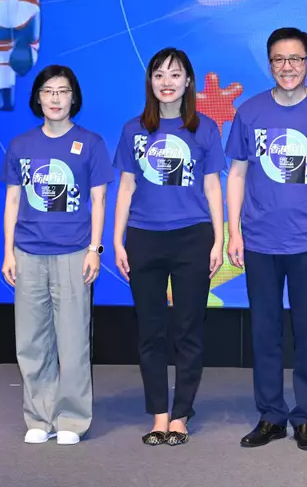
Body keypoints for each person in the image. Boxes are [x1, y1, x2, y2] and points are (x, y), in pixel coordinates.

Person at [225, 28, 307, 452]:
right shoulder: (250, 112)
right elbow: (237, 175)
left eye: (295, 59)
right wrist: (233, 232)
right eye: (279, 60)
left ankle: (304, 418)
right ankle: (270, 415)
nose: (288, 67)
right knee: (265, 333)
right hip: (260, 242)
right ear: (270, 65)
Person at [112, 47, 226, 446]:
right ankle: (159, 414)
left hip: (193, 236)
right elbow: (126, 187)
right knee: (151, 330)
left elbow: (213, 187)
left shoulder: (204, 128)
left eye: (175, 75)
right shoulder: (133, 130)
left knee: (188, 329)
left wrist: (219, 239)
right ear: (150, 81)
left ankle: (181, 415)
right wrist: (117, 240)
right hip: (143, 237)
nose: (167, 82)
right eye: (159, 74)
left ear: (188, 81)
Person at [1, 64, 111, 445]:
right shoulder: (21, 145)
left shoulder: (91, 143)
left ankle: (72, 420)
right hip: (28, 253)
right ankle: (39, 417)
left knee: (73, 339)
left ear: (73, 98)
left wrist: (95, 249)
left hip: (74, 252)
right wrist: (8, 253)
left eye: (63, 91)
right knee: (31, 339)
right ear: (37, 98)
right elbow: (12, 200)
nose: (55, 99)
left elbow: (99, 200)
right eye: (48, 91)